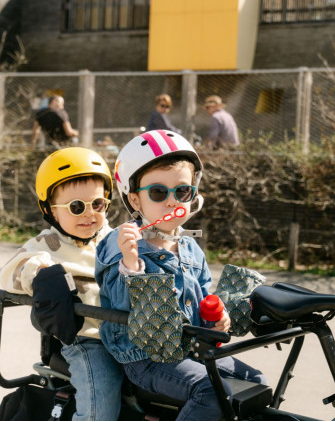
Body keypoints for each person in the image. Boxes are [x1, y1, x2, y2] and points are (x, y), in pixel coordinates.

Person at [95, 130, 267, 421]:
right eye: (159, 192)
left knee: (255, 381)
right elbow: (121, 308)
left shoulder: (188, 245)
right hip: (145, 356)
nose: (173, 202)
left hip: (189, 348)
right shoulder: (121, 243)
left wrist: (217, 316)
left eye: (182, 191)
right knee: (210, 390)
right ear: (135, 200)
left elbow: (202, 296)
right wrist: (131, 265)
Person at [0, 147, 123, 421]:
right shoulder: (49, 244)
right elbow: (10, 272)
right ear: (52, 212)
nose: (89, 213)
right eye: (76, 207)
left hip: (128, 332)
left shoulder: (116, 239)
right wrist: (40, 273)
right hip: (86, 340)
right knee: (100, 398)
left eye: (98, 204)